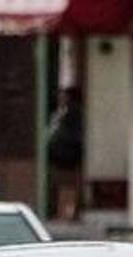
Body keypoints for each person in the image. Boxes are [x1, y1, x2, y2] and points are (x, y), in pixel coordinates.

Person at [48, 87, 83, 221]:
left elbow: (74, 134)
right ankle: (61, 211)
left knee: (69, 185)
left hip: (69, 155)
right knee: (60, 184)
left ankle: (70, 212)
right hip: (57, 155)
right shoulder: (58, 112)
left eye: (64, 96)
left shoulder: (73, 113)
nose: (61, 99)